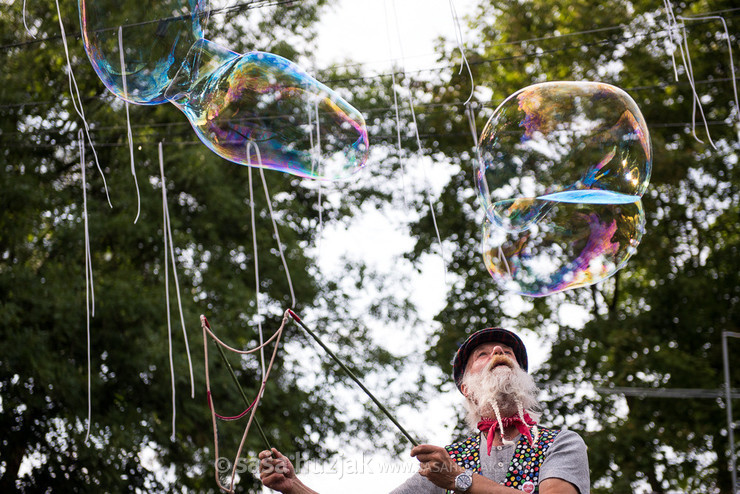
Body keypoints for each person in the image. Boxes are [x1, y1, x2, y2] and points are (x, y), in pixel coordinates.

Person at [259, 328, 590, 493]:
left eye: (506, 352)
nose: (499, 351)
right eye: (483, 354)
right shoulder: (447, 459)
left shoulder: (561, 442)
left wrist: (459, 478)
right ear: (466, 390)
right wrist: (295, 487)